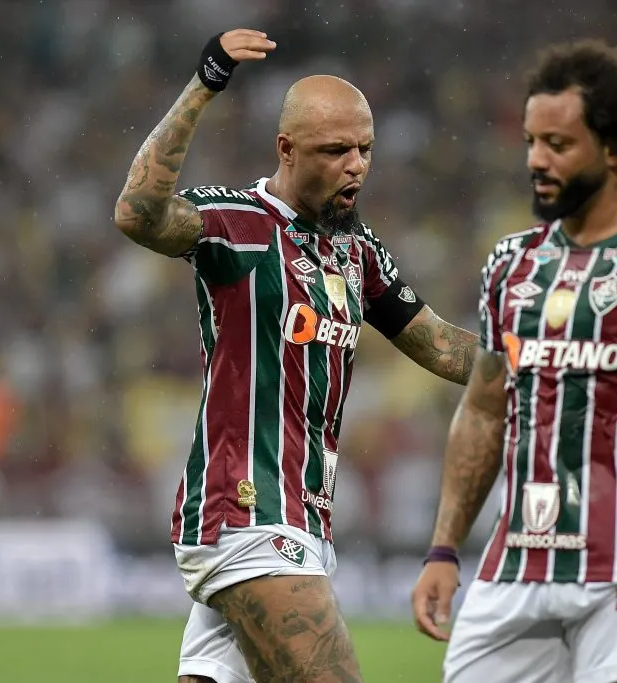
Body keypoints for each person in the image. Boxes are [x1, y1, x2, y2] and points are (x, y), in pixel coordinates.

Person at [113, 29, 478, 683]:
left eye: (365, 149)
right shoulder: (238, 224)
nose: (356, 165)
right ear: (286, 148)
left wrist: (554, 363)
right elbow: (138, 214)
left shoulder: (355, 249)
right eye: (336, 150)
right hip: (246, 509)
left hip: (304, 514)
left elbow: (442, 345)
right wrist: (205, 84)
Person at [411, 39, 617, 683]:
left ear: (615, 148)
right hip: (517, 564)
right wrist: (444, 548)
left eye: (558, 144)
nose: (536, 160)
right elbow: (483, 410)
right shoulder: (510, 263)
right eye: (530, 142)